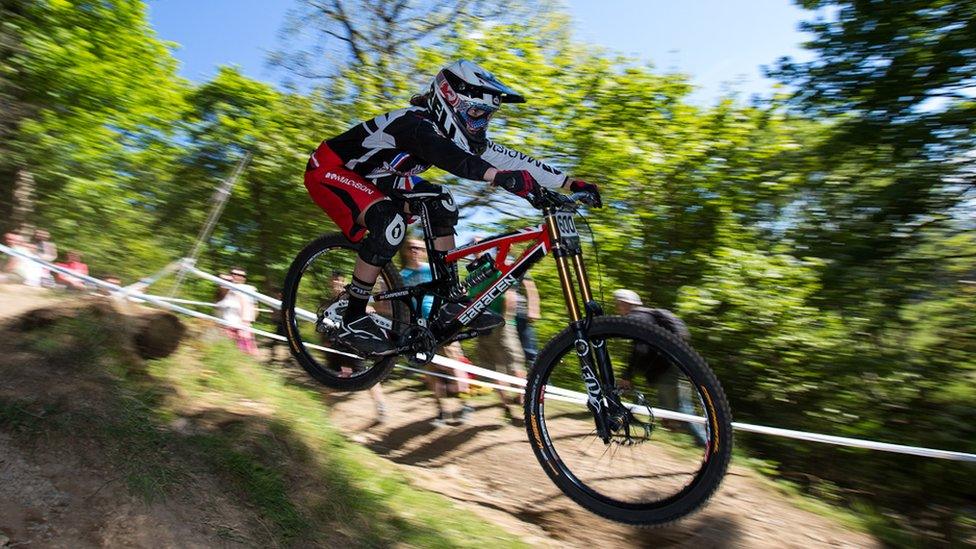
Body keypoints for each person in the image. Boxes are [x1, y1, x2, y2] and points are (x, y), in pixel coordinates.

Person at [302, 59, 600, 355]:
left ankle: (448, 300)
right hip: (331, 168)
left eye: (487, 117)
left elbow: (512, 160)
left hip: (379, 178)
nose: (481, 124)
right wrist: (499, 178)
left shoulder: (448, 131)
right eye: (475, 113)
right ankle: (353, 315)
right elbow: (451, 158)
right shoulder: (414, 124)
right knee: (390, 223)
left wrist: (571, 183)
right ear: (449, 99)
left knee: (441, 202)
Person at [613, 289, 707, 445]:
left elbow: (639, 349)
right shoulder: (647, 316)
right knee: (672, 416)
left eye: (618, 304)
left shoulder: (637, 318)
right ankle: (708, 435)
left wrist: (627, 376)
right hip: (672, 369)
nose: (617, 308)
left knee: (683, 413)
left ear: (624, 304)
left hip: (667, 372)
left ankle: (711, 444)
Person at [514, 274, 541, 368]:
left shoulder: (510, 260)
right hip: (494, 315)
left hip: (518, 313)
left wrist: (533, 308)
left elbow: (529, 284)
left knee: (530, 353)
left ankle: (541, 379)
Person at [230, 267, 258, 356]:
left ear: (244, 278)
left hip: (243, 324)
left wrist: (248, 323)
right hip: (227, 323)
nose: (237, 276)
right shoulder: (226, 287)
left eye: (240, 275)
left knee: (246, 351)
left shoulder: (250, 289)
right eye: (234, 274)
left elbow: (255, 307)